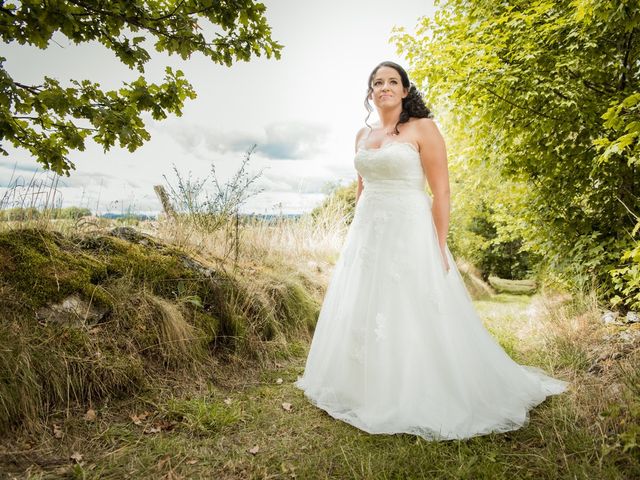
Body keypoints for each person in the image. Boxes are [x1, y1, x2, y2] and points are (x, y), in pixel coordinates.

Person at [294, 61, 569, 441]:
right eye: (377, 82)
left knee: (410, 305)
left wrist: (438, 244)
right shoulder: (363, 133)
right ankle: (362, 386)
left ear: (405, 90)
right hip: (368, 233)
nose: (384, 87)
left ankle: (417, 388)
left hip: (409, 229)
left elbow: (441, 192)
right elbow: (362, 186)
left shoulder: (423, 128)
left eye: (392, 82)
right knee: (365, 305)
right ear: (370, 92)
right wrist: (354, 232)